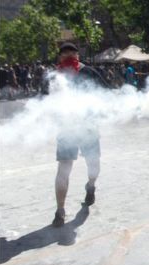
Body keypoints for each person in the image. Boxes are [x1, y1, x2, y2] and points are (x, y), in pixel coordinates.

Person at [52, 42, 109, 227]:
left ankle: (90, 186)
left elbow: (106, 94)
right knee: (64, 169)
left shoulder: (89, 72)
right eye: (64, 54)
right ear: (60, 57)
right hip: (66, 130)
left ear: (78, 56)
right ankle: (60, 210)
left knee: (93, 164)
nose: (68, 57)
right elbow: (44, 102)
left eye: (71, 53)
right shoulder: (54, 77)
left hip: (88, 128)